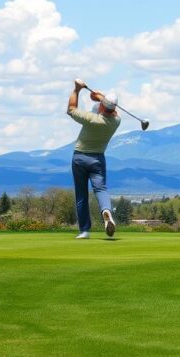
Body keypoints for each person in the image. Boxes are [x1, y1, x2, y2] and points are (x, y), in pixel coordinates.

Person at [67, 79, 121, 239]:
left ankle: (84, 231)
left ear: (102, 106)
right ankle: (106, 211)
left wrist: (76, 90)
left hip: (80, 158)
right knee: (101, 189)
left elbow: (71, 109)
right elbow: (112, 110)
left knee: (81, 194)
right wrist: (103, 99)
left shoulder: (91, 118)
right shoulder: (116, 122)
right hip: (98, 159)